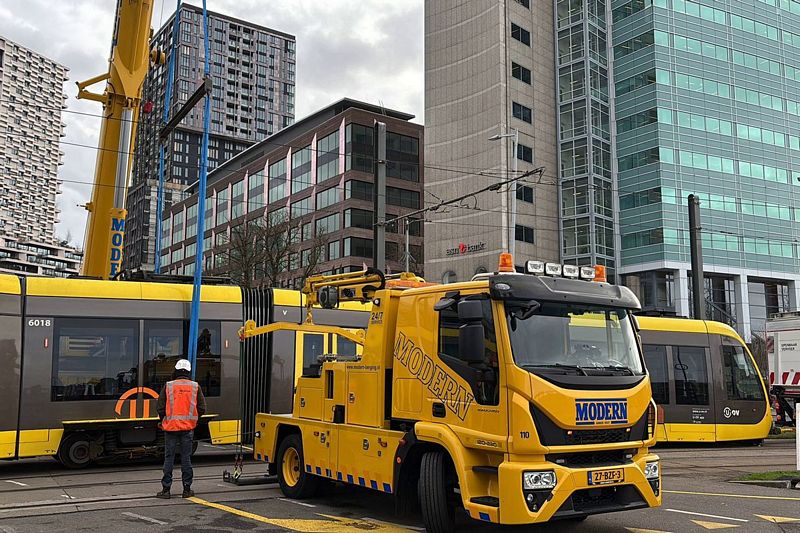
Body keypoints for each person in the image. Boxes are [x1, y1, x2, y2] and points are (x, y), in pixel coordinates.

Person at [155, 359, 206, 499]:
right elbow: (202, 408)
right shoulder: (195, 387)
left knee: (169, 458)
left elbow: (160, 407)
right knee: (186, 459)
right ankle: (187, 489)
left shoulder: (168, 386)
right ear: (188, 372)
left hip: (170, 428)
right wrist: (192, 419)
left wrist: (164, 420)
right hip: (188, 429)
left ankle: (166, 490)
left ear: (176, 371)